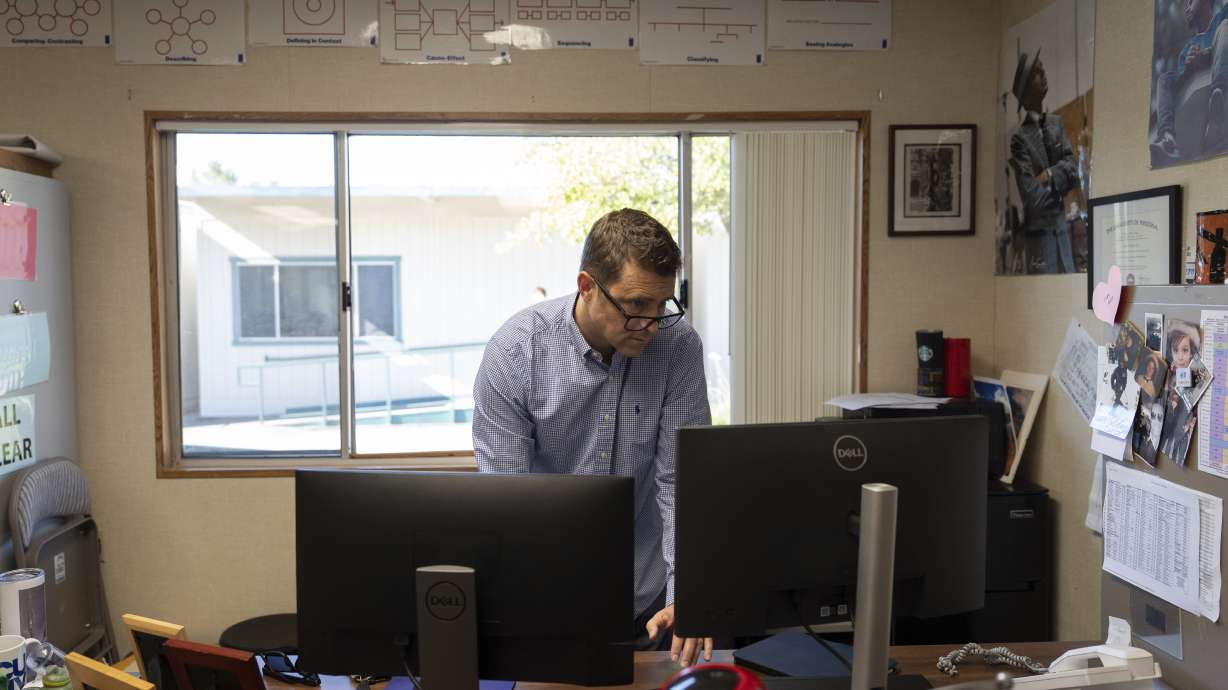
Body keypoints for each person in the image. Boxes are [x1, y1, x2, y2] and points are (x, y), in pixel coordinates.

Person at [472, 208, 714, 667]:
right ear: (587, 286)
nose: (651, 323)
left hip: (651, 599)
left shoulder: (678, 346)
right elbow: (505, 502)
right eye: (636, 305)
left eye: (662, 305)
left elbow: (682, 484)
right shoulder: (516, 352)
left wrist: (691, 595)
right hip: (547, 603)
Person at [1008, 48, 1079, 274]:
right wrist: (1061, 177)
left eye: (1043, 70)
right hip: (1040, 246)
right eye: (1038, 73)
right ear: (1027, 89)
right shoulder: (1020, 139)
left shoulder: (1056, 124)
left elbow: (1073, 170)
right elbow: (1032, 198)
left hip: (1063, 238)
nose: (1044, 74)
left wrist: (1048, 175)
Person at [1152, 0, 1228, 161]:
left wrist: (1205, 55)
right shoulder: (1187, 48)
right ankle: (1166, 137)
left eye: (1190, 2)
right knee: (1165, 79)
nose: (1186, 8)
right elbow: (1183, 82)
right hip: (1197, 71)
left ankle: (1218, 95)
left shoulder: (1222, 17)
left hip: (1219, 59)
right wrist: (1189, 68)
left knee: (1226, 26)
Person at [1159, 323, 1201, 461]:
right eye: (1175, 350)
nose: (1180, 356)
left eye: (1185, 350)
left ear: (1191, 352)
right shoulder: (1169, 372)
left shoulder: (1194, 376)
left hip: (1180, 433)